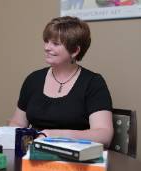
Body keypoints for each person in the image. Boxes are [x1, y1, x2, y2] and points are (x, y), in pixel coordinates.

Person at [9, 16, 113, 148]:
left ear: (75, 50)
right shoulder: (33, 79)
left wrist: (54, 135)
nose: (47, 47)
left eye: (55, 43)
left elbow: (104, 135)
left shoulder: (93, 83)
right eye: (46, 41)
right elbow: (18, 123)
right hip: (34, 154)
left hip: (75, 157)